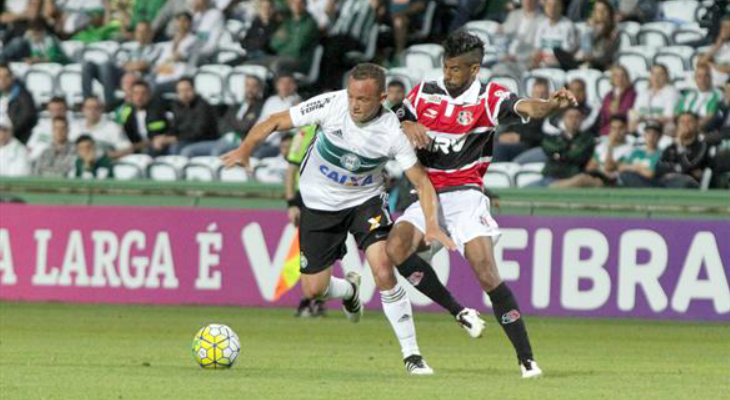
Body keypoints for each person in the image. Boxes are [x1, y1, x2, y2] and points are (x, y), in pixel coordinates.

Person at [221, 63, 458, 375]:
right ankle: (350, 291)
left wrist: (431, 223)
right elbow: (276, 121)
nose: (355, 104)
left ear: (382, 98)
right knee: (313, 290)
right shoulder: (330, 105)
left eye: (363, 99)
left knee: (384, 268)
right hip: (319, 206)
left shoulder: (392, 132)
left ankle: (412, 356)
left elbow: (422, 181)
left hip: (365, 202)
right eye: (352, 97)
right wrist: (245, 149)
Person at [391, 31, 578, 378]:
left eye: (457, 69)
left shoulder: (490, 98)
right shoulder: (424, 92)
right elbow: (392, 116)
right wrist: (407, 121)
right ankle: (460, 312)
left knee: (486, 272)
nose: (448, 74)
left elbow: (529, 107)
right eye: (446, 67)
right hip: (427, 194)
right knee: (396, 247)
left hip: (465, 196)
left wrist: (552, 105)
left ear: (475, 69)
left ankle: (526, 359)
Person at [181, 76, 266, 158]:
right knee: (188, 151)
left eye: (253, 86)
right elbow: (222, 124)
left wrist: (233, 126)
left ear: (259, 89)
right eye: (247, 85)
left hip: (241, 143)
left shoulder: (261, 107)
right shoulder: (236, 106)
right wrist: (233, 129)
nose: (250, 89)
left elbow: (245, 126)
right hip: (223, 140)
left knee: (218, 152)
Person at [551, 115, 633, 187]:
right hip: (597, 177)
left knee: (581, 180)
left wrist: (610, 146)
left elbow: (609, 168)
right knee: (580, 178)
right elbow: (590, 167)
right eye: (613, 128)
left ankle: (552, 190)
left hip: (612, 182)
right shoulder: (601, 146)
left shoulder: (629, 149)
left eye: (620, 128)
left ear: (626, 129)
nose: (616, 132)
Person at [493, 77, 550, 163]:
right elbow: (511, 125)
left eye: (543, 94)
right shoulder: (523, 107)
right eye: (537, 93)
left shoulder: (549, 113)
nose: (539, 97)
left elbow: (544, 137)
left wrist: (520, 137)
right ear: (531, 93)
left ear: (548, 95)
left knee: (497, 148)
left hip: (530, 146)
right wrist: (502, 136)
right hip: (512, 143)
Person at [555, 0, 618, 72]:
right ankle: (578, 66)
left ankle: (579, 67)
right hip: (580, 59)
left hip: (597, 61)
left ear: (609, 12)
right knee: (557, 50)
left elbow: (605, 51)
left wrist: (594, 29)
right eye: (597, 10)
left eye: (603, 10)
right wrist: (590, 28)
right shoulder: (588, 27)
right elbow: (577, 45)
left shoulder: (613, 29)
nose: (600, 13)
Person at [252, 74, 302, 158]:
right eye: (282, 83)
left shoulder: (298, 103)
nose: (285, 86)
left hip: (278, 145)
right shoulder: (271, 100)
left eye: (289, 83)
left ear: (294, 86)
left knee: (255, 156)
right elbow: (260, 121)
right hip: (261, 141)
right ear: (277, 85)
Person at [122, 81, 173, 156]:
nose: (139, 97)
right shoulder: (129, 114)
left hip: (157, 147)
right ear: (131, 96)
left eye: (143, 93)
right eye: (136, 93)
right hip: (138, 148)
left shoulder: (159, 111)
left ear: (149, 95)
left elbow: (165, 134)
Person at [170, 77, 218, 155]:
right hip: (186, 140)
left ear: (194, 89)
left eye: (187, 90)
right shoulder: (177, 106)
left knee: (184, 151)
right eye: (180, 91)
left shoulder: (203, 106)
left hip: (206, 140)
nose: (184, 94)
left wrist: (176, 138)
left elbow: (199, 132)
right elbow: (174, 127)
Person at [628, 64, 680, 136]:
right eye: (653, 74)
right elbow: (635, 112)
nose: (656, 77)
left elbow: (669, 117)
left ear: (666, 76)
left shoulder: (671, 92)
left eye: (660, 74)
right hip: (642, 129)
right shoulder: (643, 93)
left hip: (662, 130)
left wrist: (645, 119)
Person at [530, 0, 578, 70]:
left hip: (559, 68)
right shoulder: (541, 25)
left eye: (555, 5)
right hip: (540, 66)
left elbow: (567, 52)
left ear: (561, 7)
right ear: (545, 7)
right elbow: (537, 49)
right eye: (549, 5)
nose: (552, 8)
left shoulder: (568, 25)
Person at [618, 120, 664, 188]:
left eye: (654, 134)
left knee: (626, 175)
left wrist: (634, 168)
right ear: (644, 135)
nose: (651, 137)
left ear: (659, 136)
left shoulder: (661, 155)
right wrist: (638, 168)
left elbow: (650, 174)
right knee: (625, 175)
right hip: (632, 180)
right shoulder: (636, 152)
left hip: (649, 184)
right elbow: (621, 167)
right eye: (648, 133)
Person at [675, 63, 722, 128]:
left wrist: (691, 128)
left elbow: (709, 117)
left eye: (706, 76)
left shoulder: (717, 95)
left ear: (711, 78)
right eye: (699, 76)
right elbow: (677, 113)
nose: (703, 79)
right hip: (682, 125)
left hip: (701, 126)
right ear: (695, 79)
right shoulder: (688, 94)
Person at [0, 63, 37, 144]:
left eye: (5, 76)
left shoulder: (23, 96)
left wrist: (9, 133)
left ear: (12, 77)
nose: (3, 80)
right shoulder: (2, 96)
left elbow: (26, 118)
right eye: (0, 77)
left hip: (15, 139)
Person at [598, 65, 636, 136]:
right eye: (616, 76)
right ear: (612, 78)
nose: (620, 78)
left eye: (622, 75)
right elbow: (604, 114)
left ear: (627, 77)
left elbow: (626, 113)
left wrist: (615, 111)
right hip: (607, 129)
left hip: (623, 128)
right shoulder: (608, 95)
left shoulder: (632, 94)